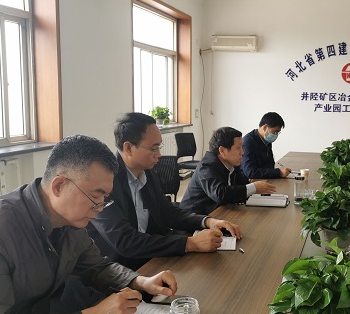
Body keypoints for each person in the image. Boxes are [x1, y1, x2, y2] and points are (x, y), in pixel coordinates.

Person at [0, 135, 177, 314]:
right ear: (59, 186)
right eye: (96, 197)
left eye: (105, 198)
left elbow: (97, 266)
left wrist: (140, 281)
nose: (101, 209)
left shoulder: (69, 220)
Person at [88, 113, 241, 271]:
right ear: (128, 148)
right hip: (120, 269)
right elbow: (125, 241)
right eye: (153, 148)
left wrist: (208, 221)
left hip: (151, 256)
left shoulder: (147, 172)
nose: (159, 155)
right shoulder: (105, 182)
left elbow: (167, 211)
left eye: (159, 147)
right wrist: (190, 243)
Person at [179, 127, 276, 215]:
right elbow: (220, 194)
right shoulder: (207, 166)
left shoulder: (233, 164)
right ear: (222, 151)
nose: (242, 152)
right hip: (194, 220)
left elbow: (242, 185)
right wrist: (253, 187)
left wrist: (252, 190)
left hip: (218, 213)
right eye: (238, 148)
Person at [241, 112, 291, 179]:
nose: (276, 135)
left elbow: (270, 165)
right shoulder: (248, 142)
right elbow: (250, 172)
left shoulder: (266, 140)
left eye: (278, 132)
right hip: (248, 182)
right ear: (265, 128)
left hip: (263, 179)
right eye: (275, 132)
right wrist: (278, 172)